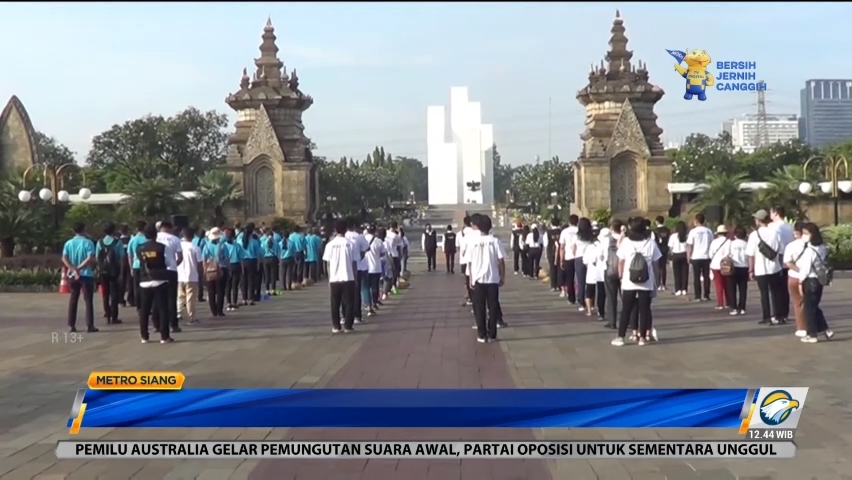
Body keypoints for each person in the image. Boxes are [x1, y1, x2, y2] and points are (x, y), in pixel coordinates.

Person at [611, 217, 661, 346]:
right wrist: (656, 279)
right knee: (644, 309)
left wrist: (621, 277)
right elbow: (656, 263)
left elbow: (620, 261)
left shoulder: (626, 242)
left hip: (629, 280)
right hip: (647, 280)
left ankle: (621, 337)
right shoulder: (650, 243)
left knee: (626, 309)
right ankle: (643, 338)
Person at [467, 215, 505, 343]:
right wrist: (502, 275)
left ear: (478, 227)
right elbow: (501, 261)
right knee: (493, 307)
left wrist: (471, 279)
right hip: (493, 278)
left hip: (478, 279)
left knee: (479, 307)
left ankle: (482, 334)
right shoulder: (495, 241)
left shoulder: (473, 242)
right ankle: (492, 334)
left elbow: (470, 263)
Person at [796, 222, 834, 343]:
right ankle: (826, 329)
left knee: (809, 308)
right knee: (814, 306)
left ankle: (812, 334)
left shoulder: (810, 250)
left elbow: (806, 269)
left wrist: (800, 282)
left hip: (810, 280)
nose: (804, 236)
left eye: (806, 233)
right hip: (820, 280)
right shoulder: (822, 247)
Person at [136, 225, 173, 344]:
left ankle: (144, 336)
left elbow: (140, 262)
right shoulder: (162, 247)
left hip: (144, 281)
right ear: (156, 235)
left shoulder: (139, 248)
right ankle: (164, 336)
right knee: (163, 309)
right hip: (160, 280)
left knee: (144, 310)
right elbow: (168, 262)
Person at [746, 209, 784, 325]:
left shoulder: (754, 235)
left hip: (760, 269)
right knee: (776, 293)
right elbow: (781, 251)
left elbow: (751, 255)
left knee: (764, 294)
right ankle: (778, 316)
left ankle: (766, 316)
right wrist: (780, 265)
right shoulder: (775, 233)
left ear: (758, 220)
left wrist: (750, 270)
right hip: (775, 267)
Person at [62, 222, 98, 333]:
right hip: (86, 274)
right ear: (84, 229)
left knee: (73, 299)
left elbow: (64, 258)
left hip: (72, 275)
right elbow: (90, 258)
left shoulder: (68, 243)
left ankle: (71, 325)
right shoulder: (88, 243)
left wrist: (72, 269)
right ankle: (90, 325)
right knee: (88, 301)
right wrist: (79, 268)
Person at [324, 220, 357, 333]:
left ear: (335, 230)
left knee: (335, 303)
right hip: (348, 276)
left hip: (334, 278)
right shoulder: (350, 244)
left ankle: (336, 326)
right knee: (349, 303)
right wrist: (355, 276)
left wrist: (329, 278)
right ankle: (348, 325)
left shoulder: (330, 245)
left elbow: (328, 264)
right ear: (346, 230)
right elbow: (354, 263)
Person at [96, 222, 125, 325]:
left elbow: (97, 258)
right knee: (114, 294)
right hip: (114, 272)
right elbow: (121, 258)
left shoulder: (100, 242)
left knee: (105, 294)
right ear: (113, 230)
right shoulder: (118, 242)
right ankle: (114, 317)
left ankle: (107, 314)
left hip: (103, 272)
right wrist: (121, 273)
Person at [156, 221, 183, 332]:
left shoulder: (155, 237)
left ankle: (157, 324)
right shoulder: (175, 239)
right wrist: (173, 264)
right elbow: (180, 257)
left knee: (158, 298)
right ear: (169, 228)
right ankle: (173, 325)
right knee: (172, 298)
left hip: (157, 270)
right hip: (171, 270)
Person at [770, 206, 795, 324]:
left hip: (778, 259)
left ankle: (777, 314)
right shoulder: (789, 226)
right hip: (788, 259)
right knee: (784, 288)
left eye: (771, 212)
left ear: (775, 213)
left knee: (776, 289)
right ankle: (785, 313)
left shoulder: (773, 227)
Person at [783, 223, 807, 336]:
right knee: (809, 303)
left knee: (797, 303)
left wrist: (798, 270)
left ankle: (801, 327)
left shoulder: (791, 246)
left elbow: (788, 262)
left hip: (794, 276)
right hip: (808, 277)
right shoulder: (811, 245)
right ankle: (811, 325)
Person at [345, 219, 370, 324]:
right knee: (356, 293)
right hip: (358, 267)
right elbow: (367, 248)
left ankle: (344, 316)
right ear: (355, 226)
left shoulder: (344, 237)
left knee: (345, 294)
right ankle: (357, 316)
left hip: (346, 268)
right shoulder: (359, 237)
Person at [177, 227, 203, 323]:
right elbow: (199, 263)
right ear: (193, 236)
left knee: (180, 296)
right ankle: (191, 317)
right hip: (192, 275)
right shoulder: (195, 248)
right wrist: (201, 275)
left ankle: (178, 313)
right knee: (190, 298)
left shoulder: (179, 246)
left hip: (180, 275)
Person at [202, 227, 229, 317]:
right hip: (221, 268)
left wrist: (205, 270)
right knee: (220, 290)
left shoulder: (206, 246)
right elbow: (226, 258)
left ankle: (213, 310)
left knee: (211, 291)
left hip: (210, 270)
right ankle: (219, 310)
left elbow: (204, 259)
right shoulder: (222, 246)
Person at [602, 220, 624, 329]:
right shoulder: (626, 239)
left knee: (611, 296)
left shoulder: (606, 240)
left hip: (610, 269)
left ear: (611, 228)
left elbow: (601, 255)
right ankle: (628, 320)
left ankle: (612, 321)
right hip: (623, 271)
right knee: (625, 297)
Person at [686, 213, 713, 302]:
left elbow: (690, 245)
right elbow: (711, 243)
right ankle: (706, 295)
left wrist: (688, 256)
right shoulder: (709, 231)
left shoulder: (693, 232)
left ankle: (698, 296)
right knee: (706, 277)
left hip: (696, 256)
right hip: (706, 256)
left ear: (696, 221)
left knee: (696, 277)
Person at [570, 218, 595, 311]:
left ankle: (582, 303)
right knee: (591, 281)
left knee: (580, 282)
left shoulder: (577, 236)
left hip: (579, 258)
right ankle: (591, 302)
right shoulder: (592, 236)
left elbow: (573, 249)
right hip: (590, 259)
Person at [725, 226, 750, 316]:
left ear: (735, 234)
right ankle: (742, 307)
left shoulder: (731, 243)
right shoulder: (747, 244)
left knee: (732, 288)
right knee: (743, 288)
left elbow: (727, 255)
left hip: (733, 267)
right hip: (744, 267)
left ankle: (734, 307)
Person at [363, 224, 386, 316]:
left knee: (366, 287)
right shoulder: (378, 241)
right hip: (376, 266)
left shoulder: (363, 239)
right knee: (375, 286)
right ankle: (374, 303)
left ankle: (367, 304)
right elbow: (383, 253)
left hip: (365, 266)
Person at [708, 225, 731, 310]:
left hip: (715, 265)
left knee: (718, 285)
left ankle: (720, 303)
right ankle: (728, 302)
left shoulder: (714, 242)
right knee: (727, 284)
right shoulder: (729, 242)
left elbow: (710, 254)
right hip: (726, 265)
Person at [558, 214, 579, 303]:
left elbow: (562, 247)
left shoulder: (564, 232)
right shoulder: (580, 230)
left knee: (569, 279)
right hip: (579, 256)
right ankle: (582, 297)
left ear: (569, 222)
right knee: (580, 278)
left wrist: (561, 259)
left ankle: (571, 298)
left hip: (568, 257)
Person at [127, 221, 147, 314]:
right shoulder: (146, 239)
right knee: (145, 287)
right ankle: (146, 306)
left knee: (136, 287)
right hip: (145, 266)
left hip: (135, 265)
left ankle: (139, 307)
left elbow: (129, 254)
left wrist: (131, 267)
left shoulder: (133, 240)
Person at [240, 224, 262, 304]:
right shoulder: (254, 242)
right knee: (251, 280)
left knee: (243, 280)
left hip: (243, 261)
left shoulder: (240, 241)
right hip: (252, 261)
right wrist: (259, 264)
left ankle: (244, 298)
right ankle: (251, 298)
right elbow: (258, 254)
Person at [457, 216, 477, 305]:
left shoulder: (460, 233)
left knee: (467, 278)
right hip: (474, 259)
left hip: (465, 260)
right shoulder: (476, 233)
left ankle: (470, 297)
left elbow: (460, 249)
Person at [223, 228, 244, 312]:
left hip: (227, 266)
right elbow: (241, 258)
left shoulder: (224, 245)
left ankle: (228, 303)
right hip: (236, 265)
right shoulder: (237, 245)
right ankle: (234, 303)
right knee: (235, 285)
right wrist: (242, 269)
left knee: (228, 285)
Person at [668, 221, 689, 296]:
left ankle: (678, 289)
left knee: (676, 273)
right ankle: (684, 289)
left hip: (676, 255)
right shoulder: (686, 236)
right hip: (684, 254)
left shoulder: (673, 236)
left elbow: (670, 247)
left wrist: (670, 258)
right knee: (685, 273)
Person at [543, 218, 562, 292]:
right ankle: (559, 285)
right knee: (559, 269)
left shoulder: (548, 232)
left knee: (552, 269)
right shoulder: (561, 231)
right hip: (560, 252)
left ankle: (553, 286)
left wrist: (546, 254)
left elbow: (546, 244)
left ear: (551, 224)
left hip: (551, 252)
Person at [260, 227, 281, 295]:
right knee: (273, 275)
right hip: (273, 258)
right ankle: (273, 290)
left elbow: (262, 251)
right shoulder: (276, 242)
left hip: (266, 258)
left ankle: (267, 290)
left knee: (267, 275)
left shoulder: (264, 242)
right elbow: (278, 252)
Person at [653, 216, 670, 291]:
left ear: (657, 221)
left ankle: (658, 284)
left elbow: (653, 241)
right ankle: (664, 284)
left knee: (658, 268)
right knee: (663, 268)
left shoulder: (655, 231)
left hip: (658, 250)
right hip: (665, 249)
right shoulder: (667, 230)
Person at [118, 225, 133, 307]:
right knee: (130, 281)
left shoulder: (118, 241)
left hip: (121, 263)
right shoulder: (131, 240)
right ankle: (130, 299)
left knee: (121, 282)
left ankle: (121, 300)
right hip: (130, 262)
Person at [192, 228, 207, 302]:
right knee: (200, 279)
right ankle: (200, 296)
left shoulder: (194, 240)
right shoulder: (204, 241)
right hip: (200, 259)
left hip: (192, 259)